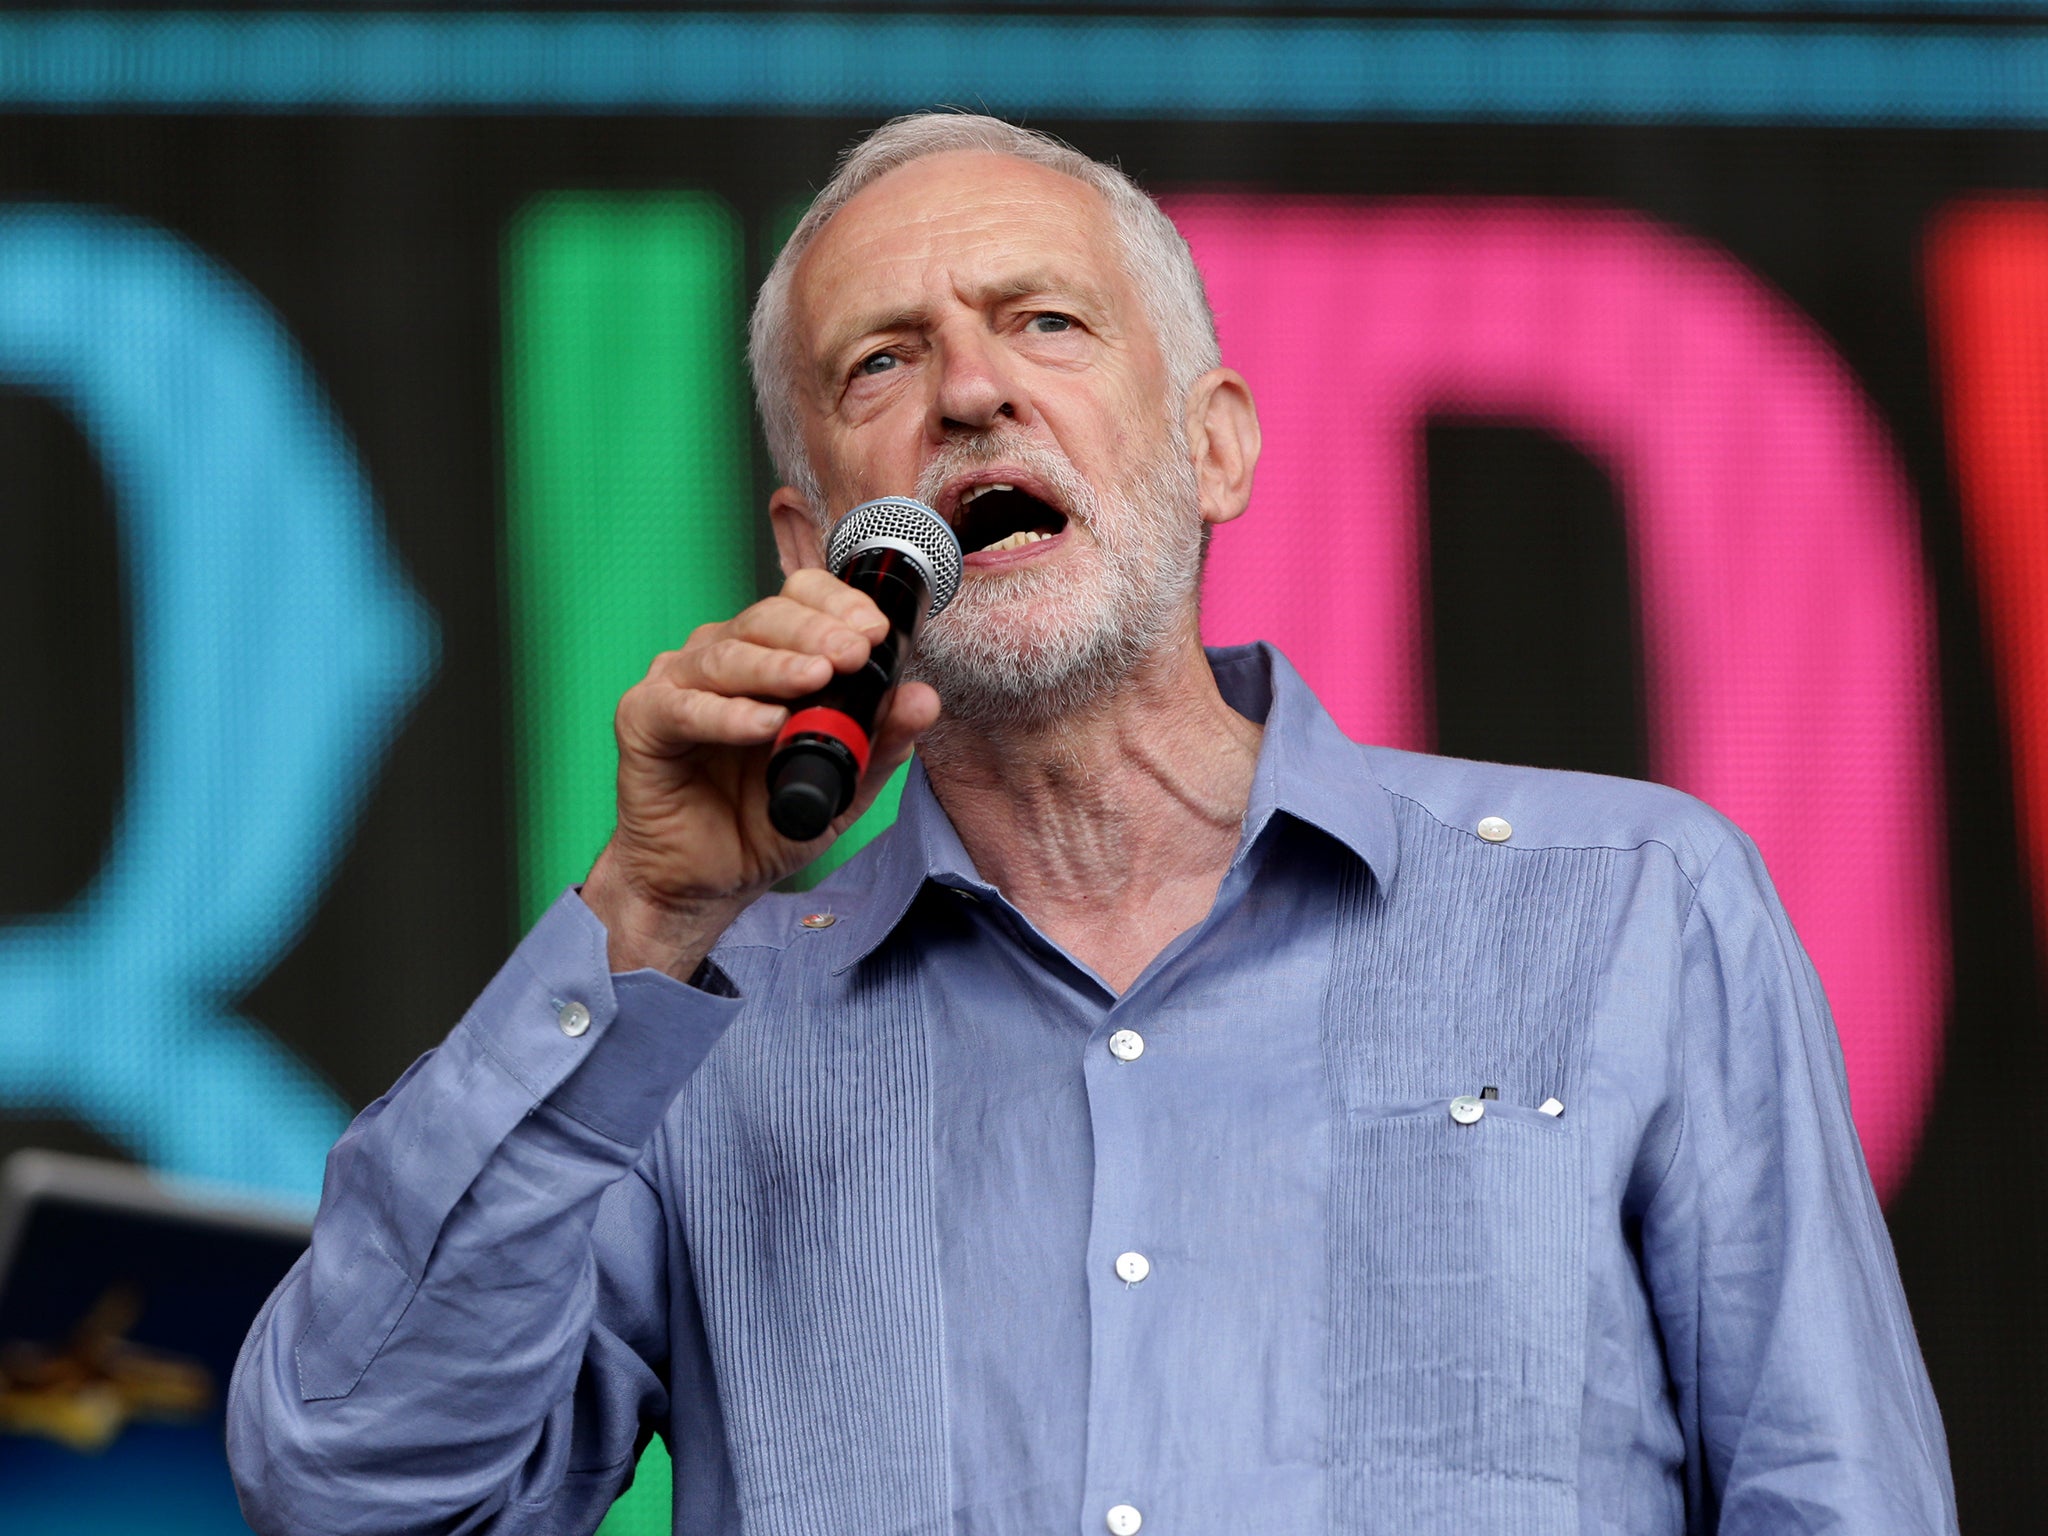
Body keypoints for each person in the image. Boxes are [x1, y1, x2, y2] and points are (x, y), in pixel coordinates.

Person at [228, 113, 1957, 1535]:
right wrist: (639, 915)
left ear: (1215, 446)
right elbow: (351, 1494)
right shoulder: (700, 1028)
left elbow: (1838, 1499)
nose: (971, 392)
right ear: (810, 540)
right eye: (881, 362)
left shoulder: (1634, 910)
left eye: (1044, 323)